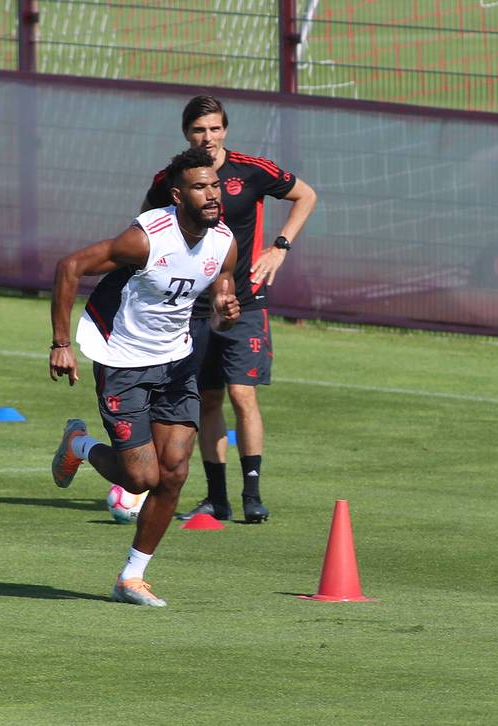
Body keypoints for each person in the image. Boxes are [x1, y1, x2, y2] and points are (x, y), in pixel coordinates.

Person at [48, 146, 239, 607]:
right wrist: (60, 344)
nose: (212, 194)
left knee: (173, 474)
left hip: (176, 361)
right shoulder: (146, 238)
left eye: (215, 185)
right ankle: (79, 444)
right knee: (139, 479)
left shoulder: (225, 242)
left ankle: (131, 578)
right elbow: (69, 267)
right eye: (200, 187)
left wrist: (225, 312)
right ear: (178, 196)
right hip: (121, 360)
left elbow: (223, 299)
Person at [143, 95, 317, 524]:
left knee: (243, 395)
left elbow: (306, 196)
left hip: (245, 301)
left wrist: (280, 247)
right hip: (191, 307)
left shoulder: (252, 171)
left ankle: (252, 495)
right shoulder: (170, 179)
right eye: (199, 130)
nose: (208, 137)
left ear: (225, 129)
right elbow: (146, 227)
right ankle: (216, 498)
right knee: (207, 400)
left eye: (215, 128)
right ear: (187, 133)